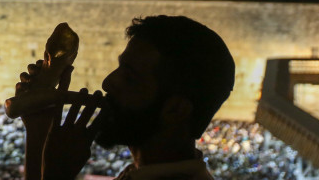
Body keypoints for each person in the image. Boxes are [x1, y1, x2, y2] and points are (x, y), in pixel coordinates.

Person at [17, 15, 235, 180]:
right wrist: (39, 132)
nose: (107, 83)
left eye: (130, 78)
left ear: (175, 110)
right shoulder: (142, 172)